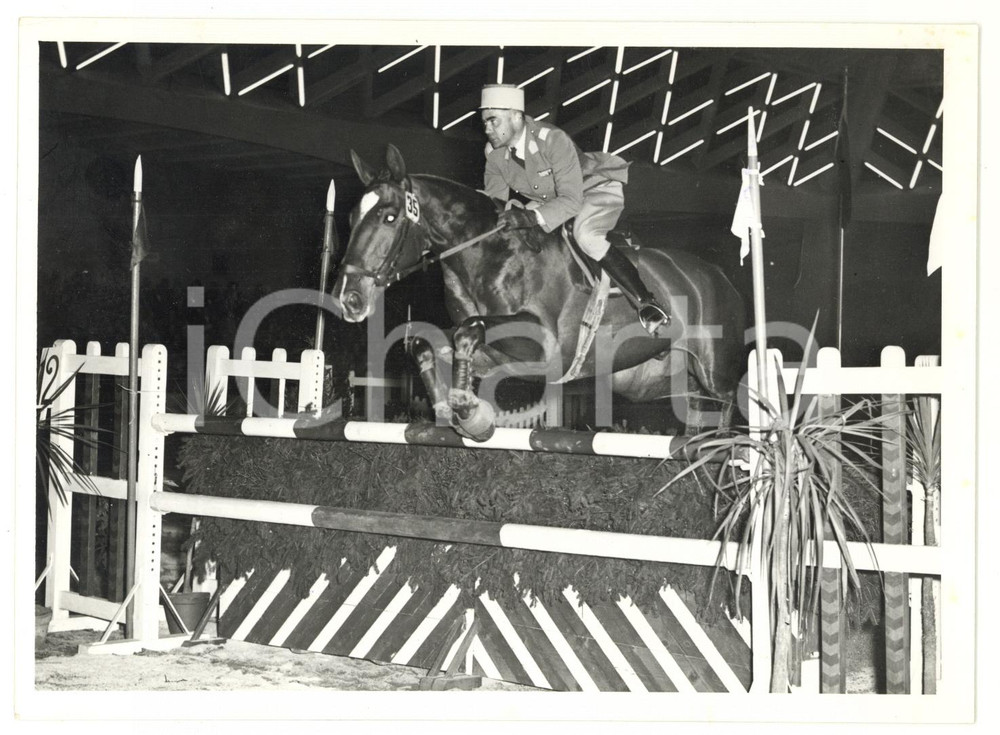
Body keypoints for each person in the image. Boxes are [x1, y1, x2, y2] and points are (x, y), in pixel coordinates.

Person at [479, 83, 670, 332]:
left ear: (516, 116)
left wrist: (530, 215)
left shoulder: (552, 139)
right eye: (484, 122)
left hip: (593, 189)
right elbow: (495, 203)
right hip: (550, 200)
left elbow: (571, 200)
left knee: (586, 236)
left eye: (493, 121)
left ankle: (647, 303)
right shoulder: (494, 153)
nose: (487, 129)